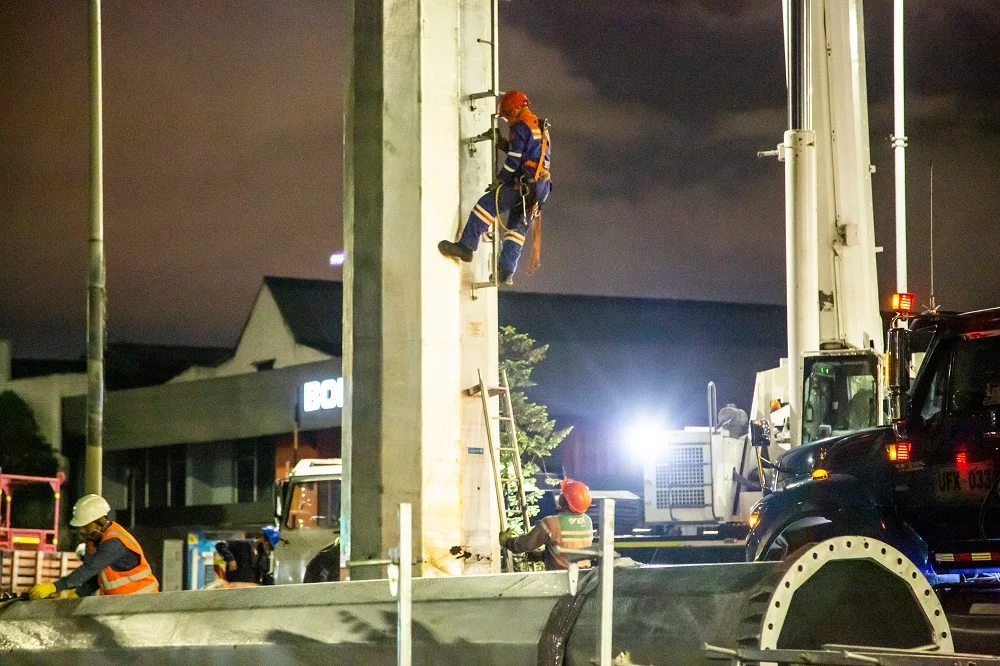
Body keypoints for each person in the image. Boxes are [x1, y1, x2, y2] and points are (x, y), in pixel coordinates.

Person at [439, 89, 552, 285]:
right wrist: (503, 144)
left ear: (516, 109)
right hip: (539, 188)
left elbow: (515, 159)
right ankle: (506, 271)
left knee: (486, 205)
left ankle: (466, 248)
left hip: (524, 184)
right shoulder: (539, 127)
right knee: (516, 229)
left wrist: (501, 179)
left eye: (508, 113)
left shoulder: (521, 126)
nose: (508, 119)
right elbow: (528, 154)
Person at [28, 494, 159, 600]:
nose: (82, 531)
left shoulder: (115, 542)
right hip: (125, 605)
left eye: (85, 526)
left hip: (142, 602)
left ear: (100, 521)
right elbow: (98, 578)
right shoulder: (99, 542)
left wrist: (55, 586)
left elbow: (90, 569)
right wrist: (78, 593)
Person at [498, 478, 593, 571]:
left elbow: (526, 544)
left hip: (562, 579)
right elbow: (567, 552)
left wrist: (508, 541)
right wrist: (541, 556)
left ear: (564, 500)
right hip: (584, 577)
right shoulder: (588, 521)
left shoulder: (551, 523)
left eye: (562, 493)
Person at [214, 525, 279, 586]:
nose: (267, 548)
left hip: (250, 591)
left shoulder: (264, 557)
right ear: (263, 538)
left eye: (270, 547)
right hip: (234, 588)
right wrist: (231, 559)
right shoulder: (242, 545)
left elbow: (265, 576)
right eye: (268, 545)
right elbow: (220, 545)